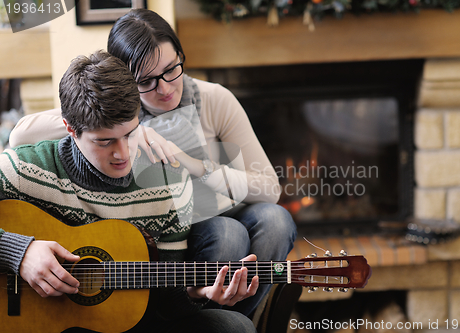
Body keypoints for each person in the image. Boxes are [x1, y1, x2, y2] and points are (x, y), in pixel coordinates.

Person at [9, 8, 297, 316]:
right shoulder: (120, 113)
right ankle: (212, 319)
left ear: (181, 56)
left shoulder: (215, 99)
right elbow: (20, 136)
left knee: (276, 220)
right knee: (229, 234)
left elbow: (269, 189)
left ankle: (242, 317)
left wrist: (192, 163)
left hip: (227, 207)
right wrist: (135, 127)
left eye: (172, 69)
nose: (165, 88)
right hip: (182, 228)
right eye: (146, 80)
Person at [0, 50, 259, 333]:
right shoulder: (23, 169)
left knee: (235, 327)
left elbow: (164, 306)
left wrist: (196, 294)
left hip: (130, 323)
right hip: (42, 323)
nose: (122, 153)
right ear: (70, 129)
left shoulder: (169, 182)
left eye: (131, 133)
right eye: (105, 141)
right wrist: (19, 253)